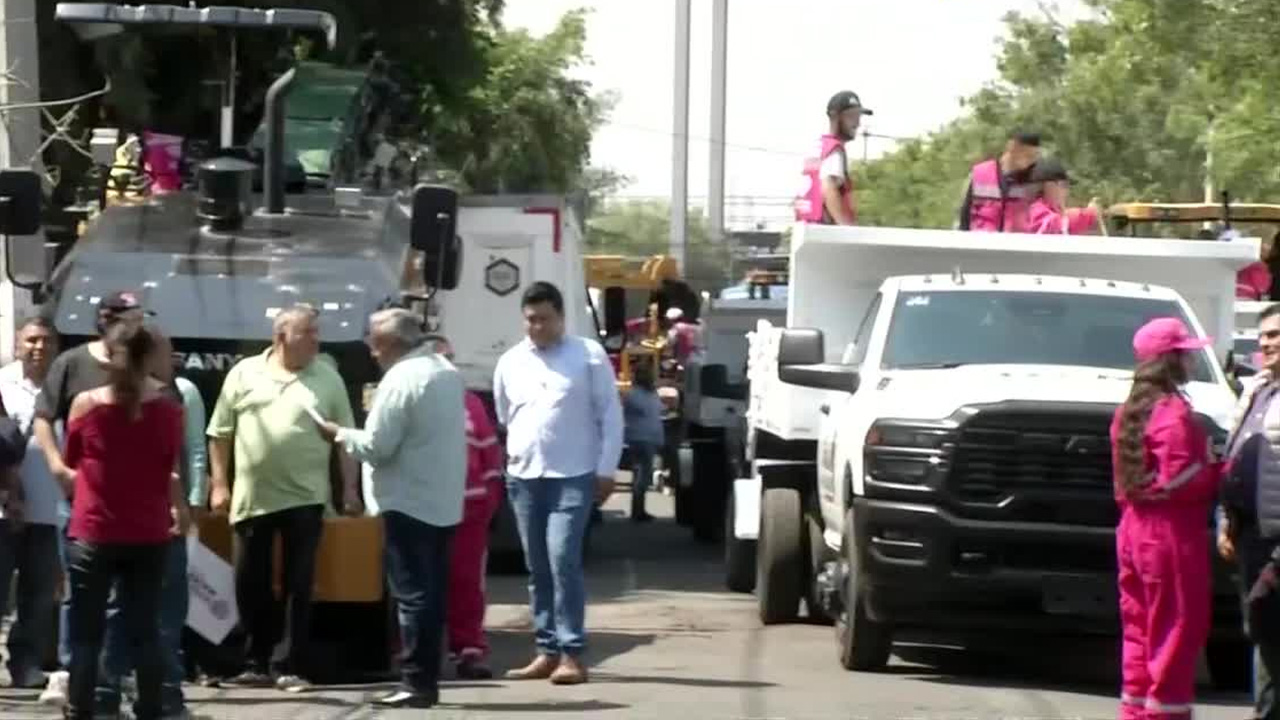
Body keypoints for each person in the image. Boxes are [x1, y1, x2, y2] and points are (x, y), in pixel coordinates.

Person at [314, 309, 464, 708]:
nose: (370, 349)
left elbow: (376, 447)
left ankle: (416, 682)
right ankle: (425, 679)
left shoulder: (400, 380)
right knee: (430, 594)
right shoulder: (444, 371)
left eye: (374, 341)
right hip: (442, 499)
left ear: (392, 344)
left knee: (412, 595)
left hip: (407, 501)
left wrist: (338, 433)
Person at [206, 304, 359, 693]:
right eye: (308, 333)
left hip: (306, 498)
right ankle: (255, 661)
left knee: (298, 583)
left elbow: (345, 440)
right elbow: (220, 432)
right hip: (252, 498)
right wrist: (219, 483)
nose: (316, 340)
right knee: (249, 581)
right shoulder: (244, 373)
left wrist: (351, 490)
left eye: (316, 333)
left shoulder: (327, 378)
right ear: (280, 338)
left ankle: (289, 665)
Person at [493, 281, 623, 685]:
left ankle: (572, 652)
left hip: (574, 475)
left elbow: (611, 415)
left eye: (544, 319)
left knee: (563, 559)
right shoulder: (511, 362)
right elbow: (504, 416)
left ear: (561, 317)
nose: (537, 327)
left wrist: (606, 469)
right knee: (537, 569)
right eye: (530, 319)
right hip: (525, 477)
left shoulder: (588, 356)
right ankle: (546, 650)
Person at [62, 323, 189, 720]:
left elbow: (71, 458)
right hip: (148, 533)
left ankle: (80, 708)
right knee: (145, 629)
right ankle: (150, 708)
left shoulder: (86, 404)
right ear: (150, 356)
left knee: (86, 632)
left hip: (93, 530)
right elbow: (170, 465)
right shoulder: (169, 410)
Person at [33, 290, 150, 707]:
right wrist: (57, 466)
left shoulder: (141, 366)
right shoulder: (72, 363)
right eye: (131, 317)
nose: (137, 324)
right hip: (81, 500)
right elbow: (44, 417)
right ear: (107, 318)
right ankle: (69, 672)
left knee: (121, 601)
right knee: (78, 595)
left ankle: (110, 675)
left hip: (133, 506)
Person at [1111, 317, 1221, 720]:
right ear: (1171, 360)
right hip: (1170, 534)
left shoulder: (1127, 411)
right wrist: (1217, 468)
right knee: (1176, 631)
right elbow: (1181, 480)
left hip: (1132, 532)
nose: (1192, 361)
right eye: (1187, 353)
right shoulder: (1173, 413)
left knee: (1139, 633)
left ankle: (1136, 713)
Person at [97, 326, 206, 719]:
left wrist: (191, 503)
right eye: (164, 352)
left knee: (167, 612)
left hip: (162, 520)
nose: (171, 359)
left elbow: (191, 453)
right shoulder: (110, 401)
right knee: (123, 612)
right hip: (133, 522)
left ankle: (165, 693)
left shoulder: (181, 395)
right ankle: (110, 693)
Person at [427, 335, 504, 681]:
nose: (445, 365)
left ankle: (469, 650)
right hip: (421, 509)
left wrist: (488, 503)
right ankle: (413, 651)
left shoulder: (470, 403)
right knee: (418, 584)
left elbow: (490, 458)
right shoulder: (410, 399)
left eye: (449, 358)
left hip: (468, 510)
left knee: (466, 583)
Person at [1219, 303, 1280, 720]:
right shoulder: (1257, 388)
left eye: (1275, 335)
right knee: (1261, 632)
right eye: (1263, 335)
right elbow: (1235, 455)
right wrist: (1228, 519)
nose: (1265, 342)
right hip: (1250, 535)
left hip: (1277, 542)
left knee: (1271, 634)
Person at [0, 316, 59, 689]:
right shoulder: (2, 384)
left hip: (49, 508)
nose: (39, 347)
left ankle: (25, 664)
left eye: (46, 341)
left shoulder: (63, 384)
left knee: (38, 595)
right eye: (32, 340)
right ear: (18, 343)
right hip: (3, 508)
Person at [793, 90, 871, 226]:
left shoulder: (818, 147)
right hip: (824, 229)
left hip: (806, 227)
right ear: (835, 116)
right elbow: (828, 187)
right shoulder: (835, 150)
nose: (857, 123)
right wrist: (847, 229)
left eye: (858, 116)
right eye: (851, 116)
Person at [957, 129, 1042, 232]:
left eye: (1034, 157)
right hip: (981, 242)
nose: (1031, 161)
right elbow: (964, 215)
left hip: (1015, 244)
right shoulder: (980, 173)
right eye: (1028, 156)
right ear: (1012, 147)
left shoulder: (1034, 180)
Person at [623, 362, 664, 523]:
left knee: (641, 475)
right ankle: (638, 511)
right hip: (641, 438)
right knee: (642, 476)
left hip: (647, 437)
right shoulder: (636, 395)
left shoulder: (649, 394)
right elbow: (647, 411)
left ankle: (639, 509)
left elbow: (658, 410)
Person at [1026, 158, 1101, 235]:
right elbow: (1052, 226)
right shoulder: (1035, 210)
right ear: (1048, 186)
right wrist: (1089, 213)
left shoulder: (1049, 212)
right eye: (1064, 185)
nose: (1067, 191)